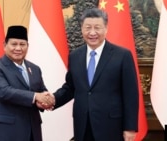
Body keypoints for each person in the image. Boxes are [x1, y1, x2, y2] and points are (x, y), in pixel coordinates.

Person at [50, 8, 139, 141]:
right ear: (81, 29)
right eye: (88, 28)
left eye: (97, 27)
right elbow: (71, 87)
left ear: (106, 28)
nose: (92, 32)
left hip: (111, 126)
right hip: (83, 125)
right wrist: (52, 99)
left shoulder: (122, 55)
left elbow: (131, 94)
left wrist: (130, 128)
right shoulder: (75, 56)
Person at [0, 25, 54, 141]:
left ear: (27, 46)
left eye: (22, 44)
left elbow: (41, 90)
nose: (18, 48)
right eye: (14, 44)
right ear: (5, 45)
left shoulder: (35, 69)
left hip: (32, 131)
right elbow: (4, 92)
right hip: (6, 133)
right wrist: (36, 97)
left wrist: (46, 101)